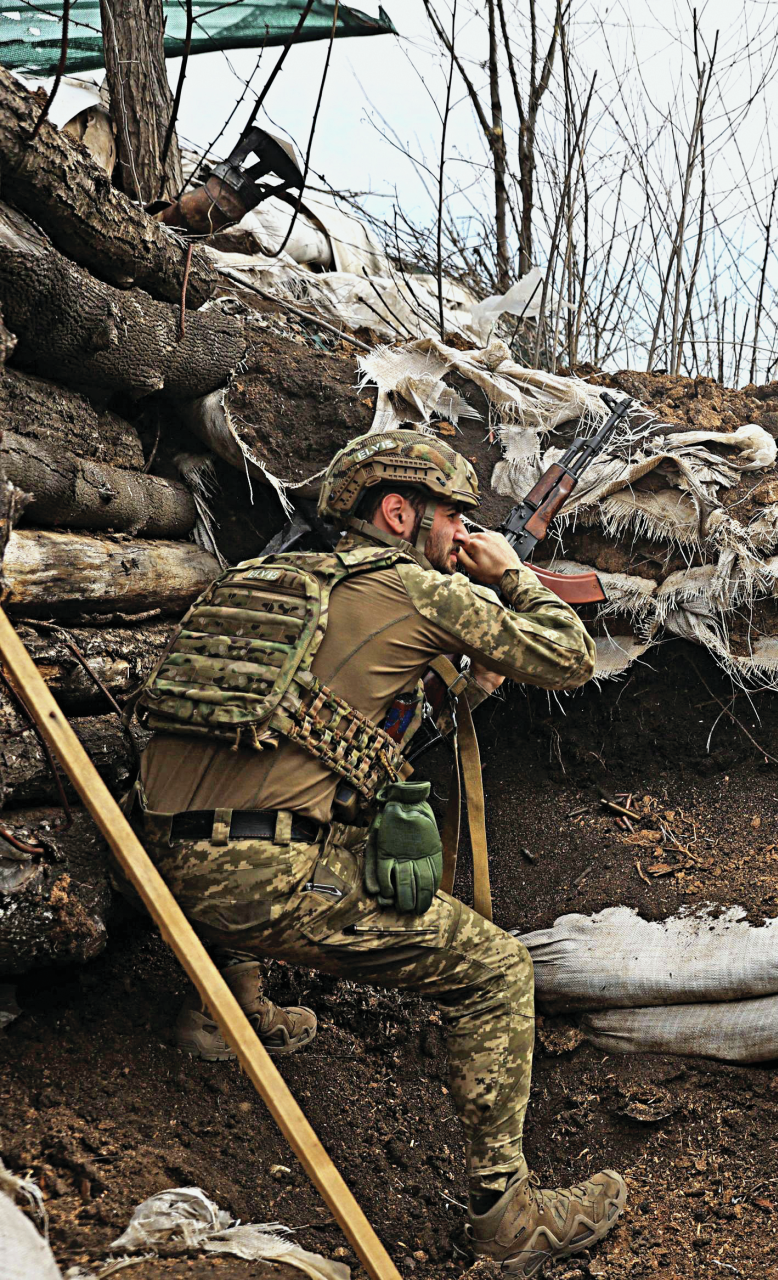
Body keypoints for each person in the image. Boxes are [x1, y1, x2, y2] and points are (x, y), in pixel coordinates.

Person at [134, 429, 625, 1274]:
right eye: (454, 523)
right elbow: (572, 657)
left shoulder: (267, 582)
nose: (460, 538)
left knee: (298, 820)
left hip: (157, 867)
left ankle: (224, 1010)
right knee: (499, 970)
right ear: (399, 513)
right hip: (263, 884)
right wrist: (508, 572)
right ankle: (509, 1217)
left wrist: (462, 680)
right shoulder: (413, 589)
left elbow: (324, 735)